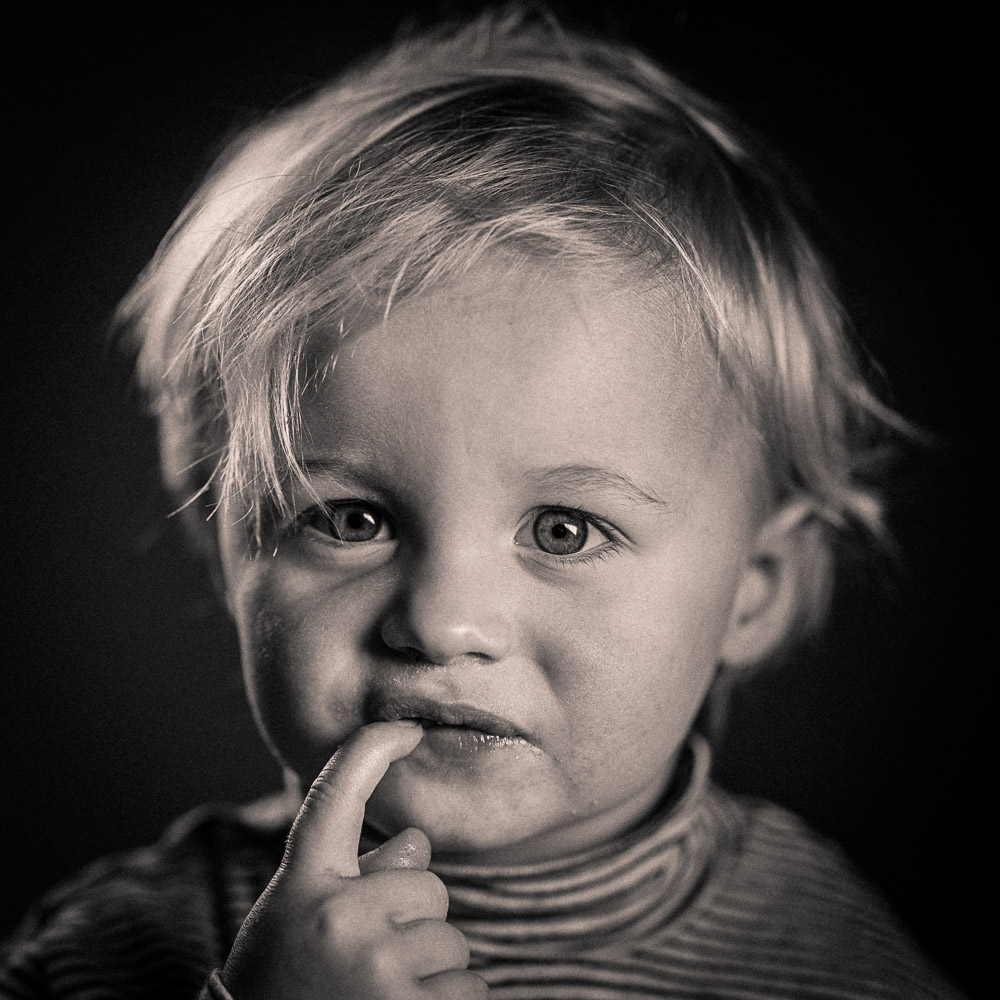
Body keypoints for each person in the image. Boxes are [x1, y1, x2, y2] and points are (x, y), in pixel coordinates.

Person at [0, 8, 968, 999]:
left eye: (564, 530)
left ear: (755, 588)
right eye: (351, 519)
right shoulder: (114, 949)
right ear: (227, 550)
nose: (441, 621)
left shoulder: (828, 953)